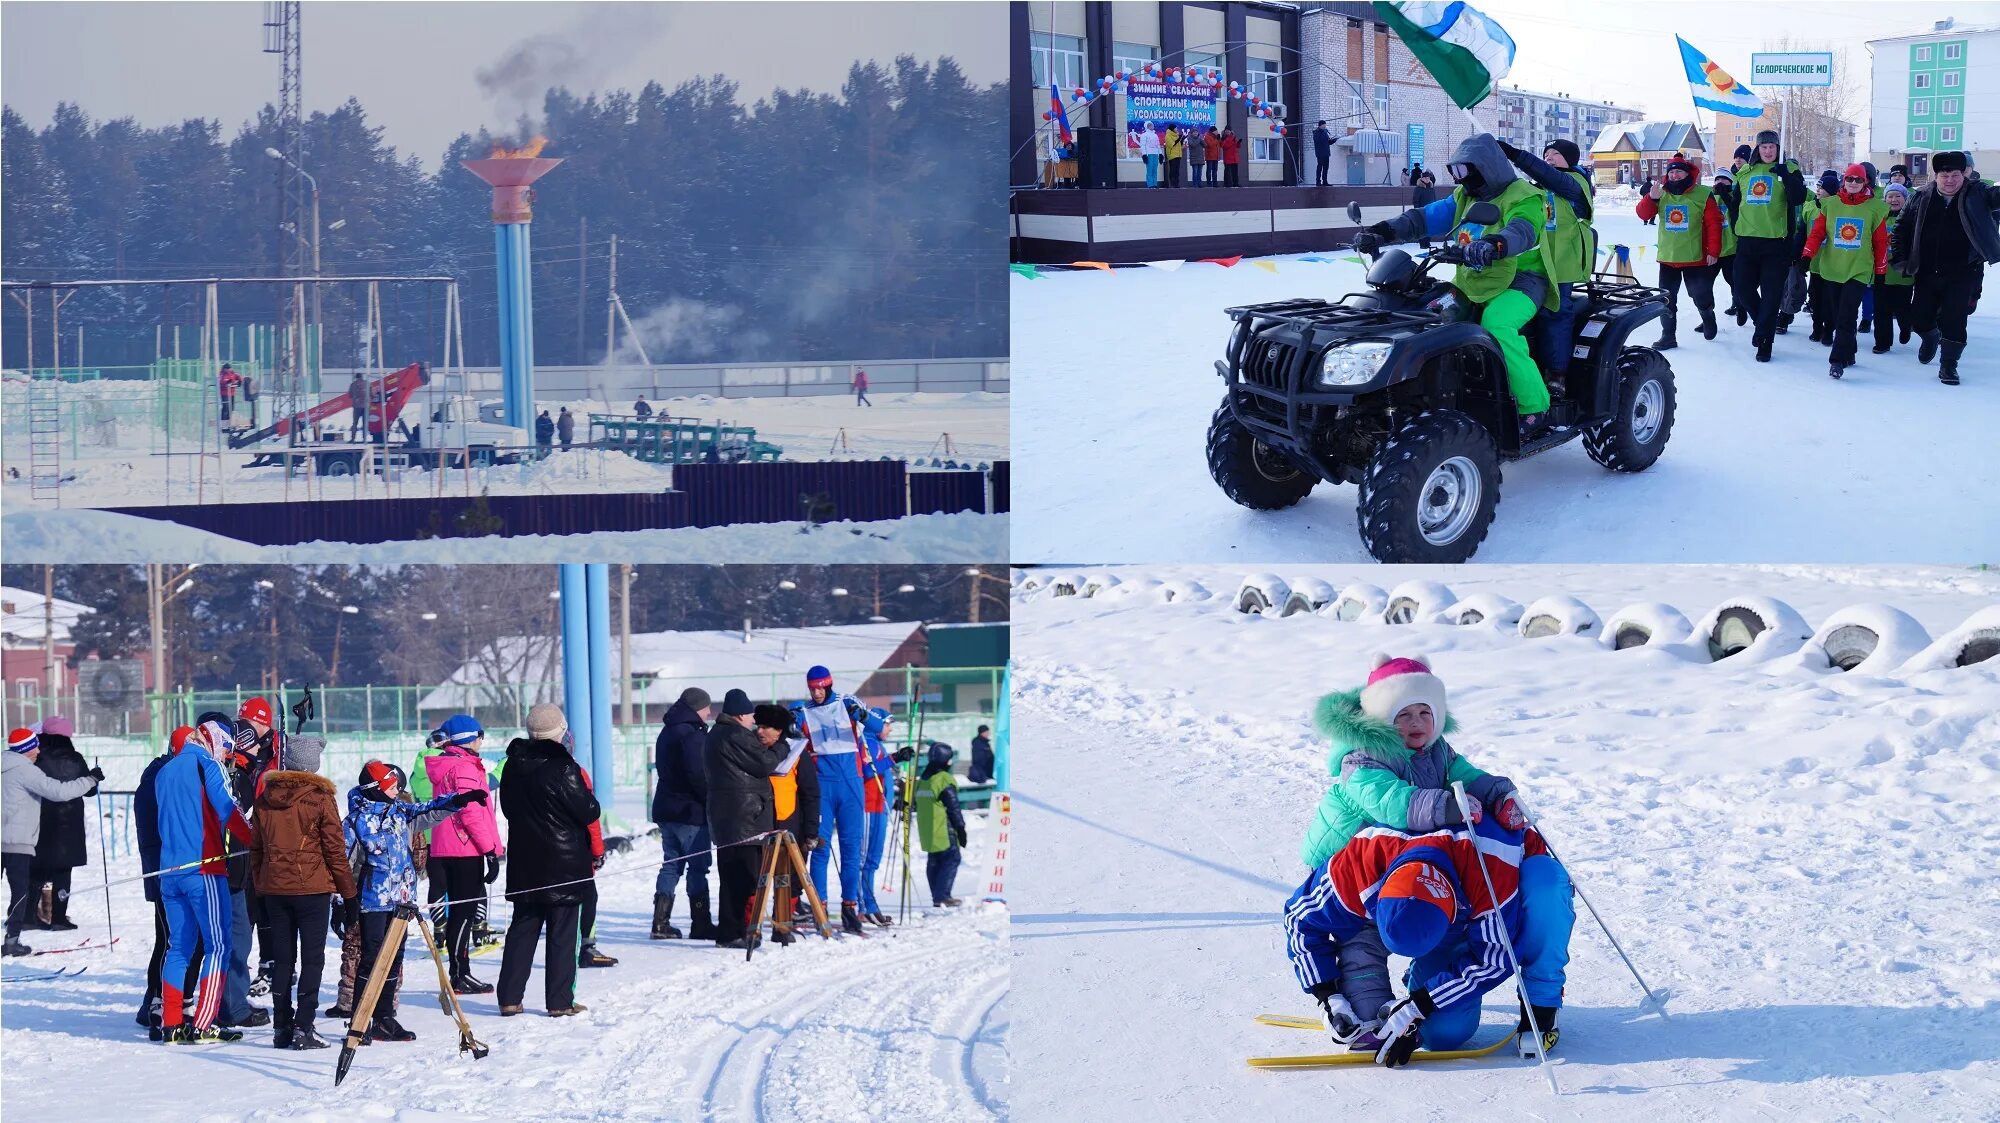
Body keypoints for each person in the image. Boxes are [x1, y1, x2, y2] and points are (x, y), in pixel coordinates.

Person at [1282, 816, 1571, 1063]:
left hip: (1489, 899)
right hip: (1415, 893)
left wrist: (1420, 1004)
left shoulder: (1492, 869)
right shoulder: (1362, 861)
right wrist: (1328, 996)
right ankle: (1422, 972)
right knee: (1383, 1027)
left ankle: (1541, 1003)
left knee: (1545, 880)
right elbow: (1299, 918)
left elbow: (1495, 958)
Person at [1353, 134, 1561, 428]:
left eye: (1464, 171)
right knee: (1428, 315)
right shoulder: (1465, 197)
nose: (1460, 179)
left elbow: (1523, 230)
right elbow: (1423, 219)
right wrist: (1382, 232)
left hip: (1522, 280)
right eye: (1455, 172)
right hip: (1472, 279)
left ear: (1485, 167)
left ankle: (1534, 406)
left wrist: (1494, 244)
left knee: (1497, 325)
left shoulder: (1523, 195)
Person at [345, 760, 471, 1040]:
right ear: (375, 788)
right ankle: (360, 1020)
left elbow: (429, 810)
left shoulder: (400, 812)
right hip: (372, 901)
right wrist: (342, 902)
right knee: (372, 960)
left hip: (402, 900)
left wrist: (458, 800)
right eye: (390, 785)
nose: (397, 788)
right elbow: (343, 863)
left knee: (394, 959)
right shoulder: (356, 820)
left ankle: (384, 1018)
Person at [249, 732, 357, 1051]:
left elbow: (256, 850)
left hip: (275, 891)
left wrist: (260, 886)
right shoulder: (320, 798)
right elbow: (336, 852)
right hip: (311, 890)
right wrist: (349, 895)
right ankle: (303, 1027)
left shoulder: (265, 797)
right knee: (312, 960)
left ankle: (281, 1026)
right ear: (312, 763)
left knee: (282, 961)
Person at [496, 704, 599, 1016]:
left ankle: (509, 998)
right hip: (564, 863)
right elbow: (588, 810)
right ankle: (559, 1001)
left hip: (525, 861)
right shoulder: (563, 767)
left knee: (522, 929)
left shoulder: (512, 766)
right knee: (563, 933)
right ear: (561, 730)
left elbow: (508, 809)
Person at [153, 720, 250, 1043]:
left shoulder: (165, 770)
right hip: (203, 868)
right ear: (215, 740)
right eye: (228, 748)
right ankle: (204, 1022)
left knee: (178, 947)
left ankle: (170, 1022)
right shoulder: (206, 763)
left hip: (169, 872)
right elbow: (228, 808)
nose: (227, 756)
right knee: (219, 945)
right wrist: (255, 839)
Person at [789, 666, 889, 936]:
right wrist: (792, 721)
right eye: (812, 688)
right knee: (819, 848)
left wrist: (862, 715)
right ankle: (819, 906)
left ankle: (849, 907)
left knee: (851, 849)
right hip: (822, 786)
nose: (817, 693)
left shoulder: (846, 702)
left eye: (821, 687)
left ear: (829, 685)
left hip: (851, 785)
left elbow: (879, 727)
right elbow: (789, 736)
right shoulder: (804, 709)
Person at [1890, 150, 2000, 386]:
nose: (1949, 180)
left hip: (1962, 270)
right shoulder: (1920, 197)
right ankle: (1930, 337)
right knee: (1919, 317)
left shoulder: (1977, 193)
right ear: (1935, 175)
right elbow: (1902, 228)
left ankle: (1949, 365)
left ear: (1964, 174)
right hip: (1927, 269)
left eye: (1955, 175)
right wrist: (1900, 259)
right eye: (1944, 175)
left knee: (1955, 319)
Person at [1501, 138, 1594, 386]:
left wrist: (1515, 154)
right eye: (1546, 154)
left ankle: (1557, 374)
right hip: (1532, 263)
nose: (1549, 157)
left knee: (1555, 313)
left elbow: (1553, 178)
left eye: (1555, 153)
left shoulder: (1576, 183)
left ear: (1570, 159)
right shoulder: (1536, 187)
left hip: (1562, 263)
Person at [421, 715, 504, 993]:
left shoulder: (447, 764)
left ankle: (460, 971)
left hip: (447, 845)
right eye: (480, 734)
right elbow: (471, 814)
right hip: (465, 847)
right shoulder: (464, 767)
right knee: (464, 912)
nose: (482, 740)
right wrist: (490, 851)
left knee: (460, 910)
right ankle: (460, 973)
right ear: (470, 738)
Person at [4, 728, 102, 956]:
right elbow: (58, 791)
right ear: (26, 749)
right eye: (34, 746)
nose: (38, 750)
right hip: (17, 841)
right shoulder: (25, 770)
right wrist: (91, 779)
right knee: (19, 892)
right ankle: (11, 941)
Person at [705, 689, 788, 950]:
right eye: (751, 716)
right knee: (746, 877)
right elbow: (764, 764)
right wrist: (784, 746)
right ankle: (736, 932)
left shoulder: (715, 734)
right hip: (746, 818)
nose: (754, 721)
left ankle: (730, 931)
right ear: (740, 715)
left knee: (731, 878)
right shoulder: (736, 735)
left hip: (727, 818)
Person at [1801, 164, 1889, 379]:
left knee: (1846, 314)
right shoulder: (1830, 205)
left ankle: (1837, 360)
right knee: (1839, 313)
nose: (1853, 183)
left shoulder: (1874, 208)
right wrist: (1806, 256)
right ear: (1843, 181)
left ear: (1864, 182)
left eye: (1858, 180)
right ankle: (1849, 351)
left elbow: (1880, 243)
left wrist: (1880, 271)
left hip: (1858, 270)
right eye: (1849, 179)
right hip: (1832, 269)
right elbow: (1817, 234)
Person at [1728, 129, 1809, 362]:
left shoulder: (1789, 169)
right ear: (1758, 148)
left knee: (1772, 295)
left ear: (1778, 149)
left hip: (1776, 243)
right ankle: (1763, 323)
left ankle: (1765, 341)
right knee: (1742, 289)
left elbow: (1798, 199)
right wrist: (1736, 226)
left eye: (1772, 147)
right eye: (1764, 147)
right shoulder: (1745, 172)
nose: (1768, 151)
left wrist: (1787, 177)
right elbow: (1736, 203)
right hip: (1747, 241)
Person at [135, 730, 191, 1037]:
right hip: (165, 869)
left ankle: (155, 1000)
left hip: (167, 867)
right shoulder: (161, 777)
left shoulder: (162, 773)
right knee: (170, 940)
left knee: (170, 938)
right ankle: (154, 1002)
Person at [1636, 154, 1722, 349]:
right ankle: (1668, 336)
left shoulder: (1702, 194)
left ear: (1687, 173)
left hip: (1695, 258)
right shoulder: (1661, 193)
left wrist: (1714, 250)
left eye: (1679, 171)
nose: (1674, 175)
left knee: (1700, 294)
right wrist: (1651, 198)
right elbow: (1643, 214)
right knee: (1666, 298)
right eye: (1671, 172)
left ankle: (1708, 316)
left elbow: (1714, 223)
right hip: (1668, 257)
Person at [652, 687, 716, 941]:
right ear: (696, 708)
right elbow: (697, 774)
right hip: (689, 811)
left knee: (672, 864)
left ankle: (660, 923)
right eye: (706, 707)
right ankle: (700, 922)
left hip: (666, 808)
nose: (709, 712)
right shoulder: (690, 734)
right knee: (698, 867)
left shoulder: (667, 731)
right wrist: (709, 800)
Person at [760, 704, 817, 944]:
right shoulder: (754, 752)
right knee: (759, 879)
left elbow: (811, 793)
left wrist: (811, 831)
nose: (760, 731)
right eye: (758, 726)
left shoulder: (796, 754)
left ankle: (782, 925)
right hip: (761, 825)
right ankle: (751, 926)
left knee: (790, 880)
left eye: (766, 727)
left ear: (779, 730)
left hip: (790, 826)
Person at [28, 716, 91, 931]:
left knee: (37, 870)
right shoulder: (75, 759)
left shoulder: (37, 759)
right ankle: (58, 918)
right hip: (69, 822)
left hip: (40, 818)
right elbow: (90, 790)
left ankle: (30, 916)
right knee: (63, 872)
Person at [913, 741, 968, 908]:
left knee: (934, 861)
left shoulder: (924, 779)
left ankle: (937, 896)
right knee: (952, 858)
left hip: (927, 830)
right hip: (942, 828)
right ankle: (943, 896)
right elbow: (953, 807)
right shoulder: (943, 780)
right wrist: (960, 828)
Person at [855, 708, 897, 926]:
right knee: (864, 861)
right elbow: (868, 769)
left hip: (880, 808)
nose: (890, 729)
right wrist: (894, 758)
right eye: (887, 724)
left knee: (872, 860)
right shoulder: (866, 742)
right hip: (869, 808)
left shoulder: (878, 744)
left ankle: (870, 904)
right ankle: (863, 906)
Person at [1873, 183, 1917, 354]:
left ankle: (1906, 327)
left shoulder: (1911, 219)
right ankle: (1883, 342)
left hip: (1903, 273)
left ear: (1905, 199)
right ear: (1884, 199)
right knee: (1881, 309)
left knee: (1902, 307)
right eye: (1890, 196)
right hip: (1881, 271)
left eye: (1898, 196)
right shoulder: (1878, 218)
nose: (1893, 199)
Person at [1712, 173, 1744, 323]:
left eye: (1723, 179)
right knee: (1705, 285)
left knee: (1734, 281)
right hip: (1713, 249)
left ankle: (1739, 305)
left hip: (1731, 247)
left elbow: (1736, 210)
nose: (1720, 182)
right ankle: (1707, 317)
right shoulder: (1710, 196)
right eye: (1717, 179)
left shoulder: (1736, 195)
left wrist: (1725, 194)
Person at [1410, 172, 1438, 249]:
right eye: (1426, 178)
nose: (1427, 179)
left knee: (1429, 227)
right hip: (1421, 212)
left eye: (1428, 178)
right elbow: (1415, 201)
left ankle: (1427, 242)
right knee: (1422, 228)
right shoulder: (1418, 188)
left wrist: (1434, 208)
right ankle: (1422, 243)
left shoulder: (1431, 188)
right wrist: (1418, 211)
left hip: (1430, 211)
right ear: (1422, 178)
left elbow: (1434, 199)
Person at [1138, 122, 1162, 188]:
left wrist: (1160, 154)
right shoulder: (1144, 135)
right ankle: (1150, 184)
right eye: (1150, 125)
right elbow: (1142, 146)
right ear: (1147, 126)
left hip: (1155, 154)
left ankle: (1154, 183)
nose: (1152, 126)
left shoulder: (1155, 135)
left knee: (1154, 169)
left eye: (1152, 124)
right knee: (1150, 169)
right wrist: (1144, 155)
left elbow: (1158, 145)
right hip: (1149, 154)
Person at [348, 373, 370, 439]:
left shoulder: (353, 384)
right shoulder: (367, 383)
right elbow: (372, 394)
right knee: (365, 423)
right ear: (362, 377)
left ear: (356, 377)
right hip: (366, 406)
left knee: (355, 423)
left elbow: (350, 395)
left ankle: (353, 438)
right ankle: (364, 439)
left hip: (357, 406)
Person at [1313, 120, 1333, 187]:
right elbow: (1318, 141)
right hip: (1320, 153)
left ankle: (1325, 181)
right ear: (1320, 125)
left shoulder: (1325, 132)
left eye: (1325, 125)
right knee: (1320, 167)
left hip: (1326, 153)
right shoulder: (1316, 132)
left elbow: (1328, 142)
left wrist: (1334, 140)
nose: (1325, 126)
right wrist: (1323, 132)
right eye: (1324, 125)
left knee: (1326, 168)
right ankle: (1318, 182)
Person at [1189, 122, 1209, 187]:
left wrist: (1202, 140)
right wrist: (1199, 139)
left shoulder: (1200, 139)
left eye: (1196, 132)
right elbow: (1193, 145)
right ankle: (1195, 184)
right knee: (1195, 172)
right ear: (1191, 133)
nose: (1195, 133)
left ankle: (1199, 184)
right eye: (1194, 132)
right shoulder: (1190, 139)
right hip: (1194, 158)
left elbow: (1205, 145)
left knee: (1199, 173)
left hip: (1200, 158)